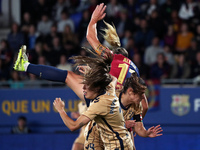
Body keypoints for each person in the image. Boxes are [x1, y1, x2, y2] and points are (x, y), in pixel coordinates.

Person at [54, 54, 134, 149]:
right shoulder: (110, 89)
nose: (83, 88)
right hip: (125, 143)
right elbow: (113, 78)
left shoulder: (98, 105)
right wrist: (93, 74)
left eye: (87, 86)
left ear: (96, 88)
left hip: (117, 146)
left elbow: (73, 126)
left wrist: (61, 110)